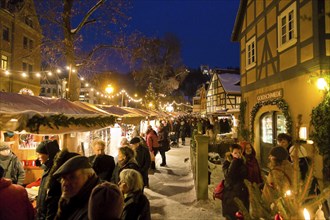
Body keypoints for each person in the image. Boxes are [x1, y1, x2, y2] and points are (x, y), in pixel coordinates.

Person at [53, 155, 100, 220]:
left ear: (89, 176)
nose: (65, 183)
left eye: (72, 177)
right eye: (63, 178)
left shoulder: (96, 205)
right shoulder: (72, 199)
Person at [222, 144, 249, 220]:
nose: (238, 155)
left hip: (241, 194)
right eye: (235, 153)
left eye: (239, 153)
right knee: (231, 216)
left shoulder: (243, 162)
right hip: (230, 194)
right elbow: (229, 176)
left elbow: (245, 175)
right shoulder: (227, 163)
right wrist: (234, 161)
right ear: (231, 153)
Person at [35, 140, 60, 220]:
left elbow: (53, 201)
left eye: (40, 154)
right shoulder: (47, 169)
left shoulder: (54, 172)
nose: (38, 157)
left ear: (49, 155)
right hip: (42, 214)